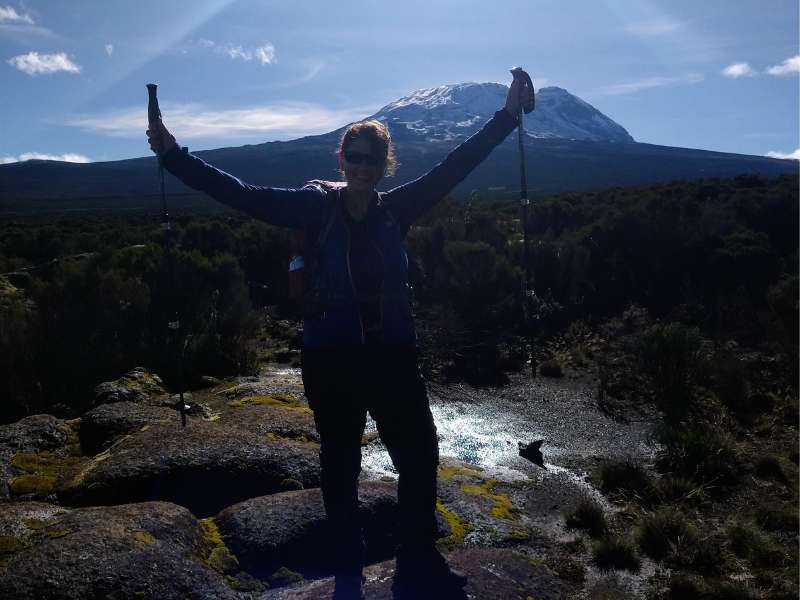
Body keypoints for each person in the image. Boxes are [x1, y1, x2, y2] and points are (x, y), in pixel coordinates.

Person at [147, 70, 532, 599]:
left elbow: (456, 167)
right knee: (340, 458)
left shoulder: (398, 208)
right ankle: (348, 562)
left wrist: (506, 118)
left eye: (372, 158)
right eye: (354, 156)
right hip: (331, 360)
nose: (362, 167)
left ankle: (416, 553)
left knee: (419, 456)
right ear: (340, 160)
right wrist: (174, 155)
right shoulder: (314, 207)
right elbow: (242, 196)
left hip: (393, 357)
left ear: (384, 164)